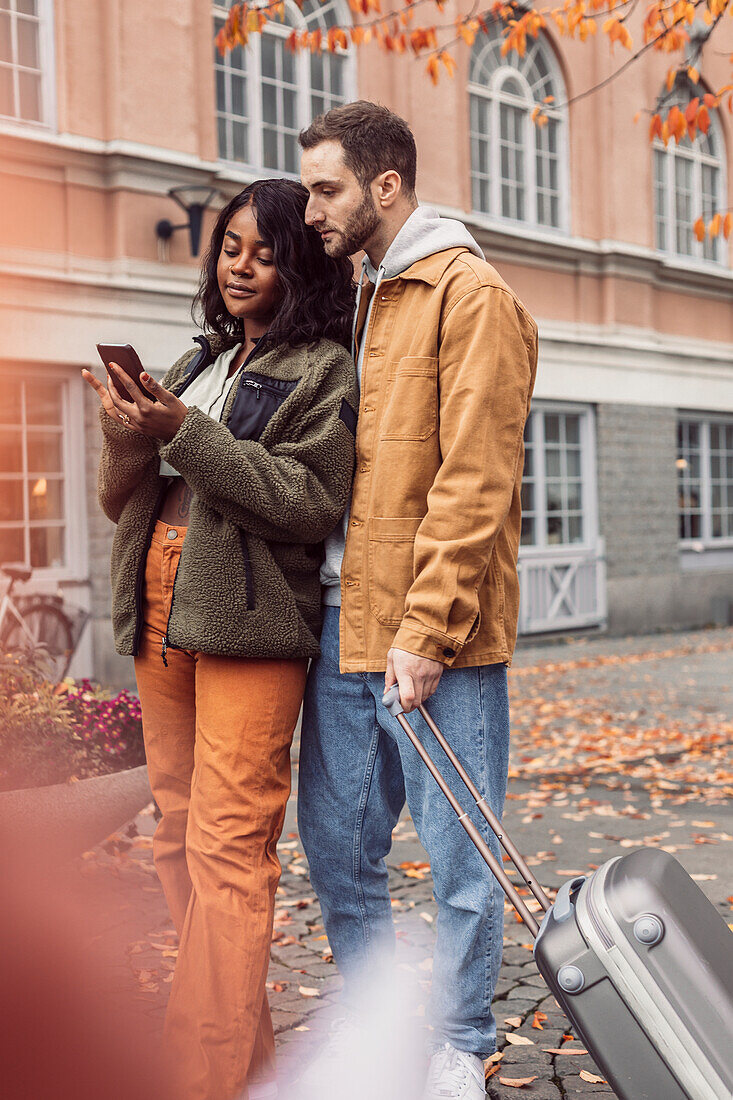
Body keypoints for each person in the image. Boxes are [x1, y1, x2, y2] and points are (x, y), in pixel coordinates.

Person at [82, 179, 358, 1100]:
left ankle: (194, 1076)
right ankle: (245, 1069)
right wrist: (131, 430)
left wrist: (185, 432)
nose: (240, 265)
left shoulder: (323, 368)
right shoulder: (200, 357)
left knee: (229, 850)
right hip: (161, 605)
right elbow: (125, 498)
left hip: (248, 625)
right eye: (230, 247)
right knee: (176, 838)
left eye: (265, 252)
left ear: (301, 264)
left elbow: (310, 501)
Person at [297, 102, 538, 1100]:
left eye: (326, 188)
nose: (312, 209)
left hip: (436, 641)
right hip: (345, 627)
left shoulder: (467, 292)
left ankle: (458, 1041)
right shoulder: (361, 294)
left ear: (384, 184)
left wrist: (430, 628)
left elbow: (475, 477)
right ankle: (378, 1028)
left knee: (460, 856)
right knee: (336, 847)